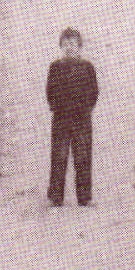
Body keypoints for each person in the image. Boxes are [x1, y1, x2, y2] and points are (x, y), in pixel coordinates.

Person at [46, 28, 98, 207]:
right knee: (59, 156)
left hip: (82, 119)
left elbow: (93, 91)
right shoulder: (55, 67)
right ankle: (55, 196)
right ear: (61, 46)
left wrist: (86, 108)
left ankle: (84, 196)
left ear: (79, 46)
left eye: (73, 44)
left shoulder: (87, 67)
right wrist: (56, 107)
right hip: (61, 119)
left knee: (82, 156)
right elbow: (50, 91)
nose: (69, 48)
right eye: (66, 44)